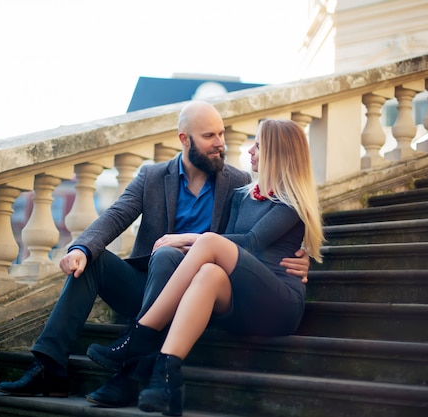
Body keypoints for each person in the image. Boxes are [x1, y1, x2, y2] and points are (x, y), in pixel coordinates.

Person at [0, 102, 311, 406]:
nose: (220, 143)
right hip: (146, 285)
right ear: (184, 140)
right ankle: (48, 367)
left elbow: (254, 238)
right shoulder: (152, 176)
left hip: (194, 292)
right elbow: (115, 216)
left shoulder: (237, 182)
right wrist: (79, 249)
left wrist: (304, 255)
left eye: (221, 134)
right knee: (91, 261)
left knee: (166, 256)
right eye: (209, 136)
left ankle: (130, 375)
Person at [86, 118, 324, 416]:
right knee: (209, 272)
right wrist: (193, 246)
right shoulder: (244, 196)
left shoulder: (292, 202)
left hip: (279, 304)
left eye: (259, 145)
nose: (250, 150)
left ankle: (141, 335)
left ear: (277, 152)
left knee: (209, 244)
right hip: (241, 299)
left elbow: (250, 243)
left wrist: (186, 238)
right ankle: (166, 379)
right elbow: (225, 247)